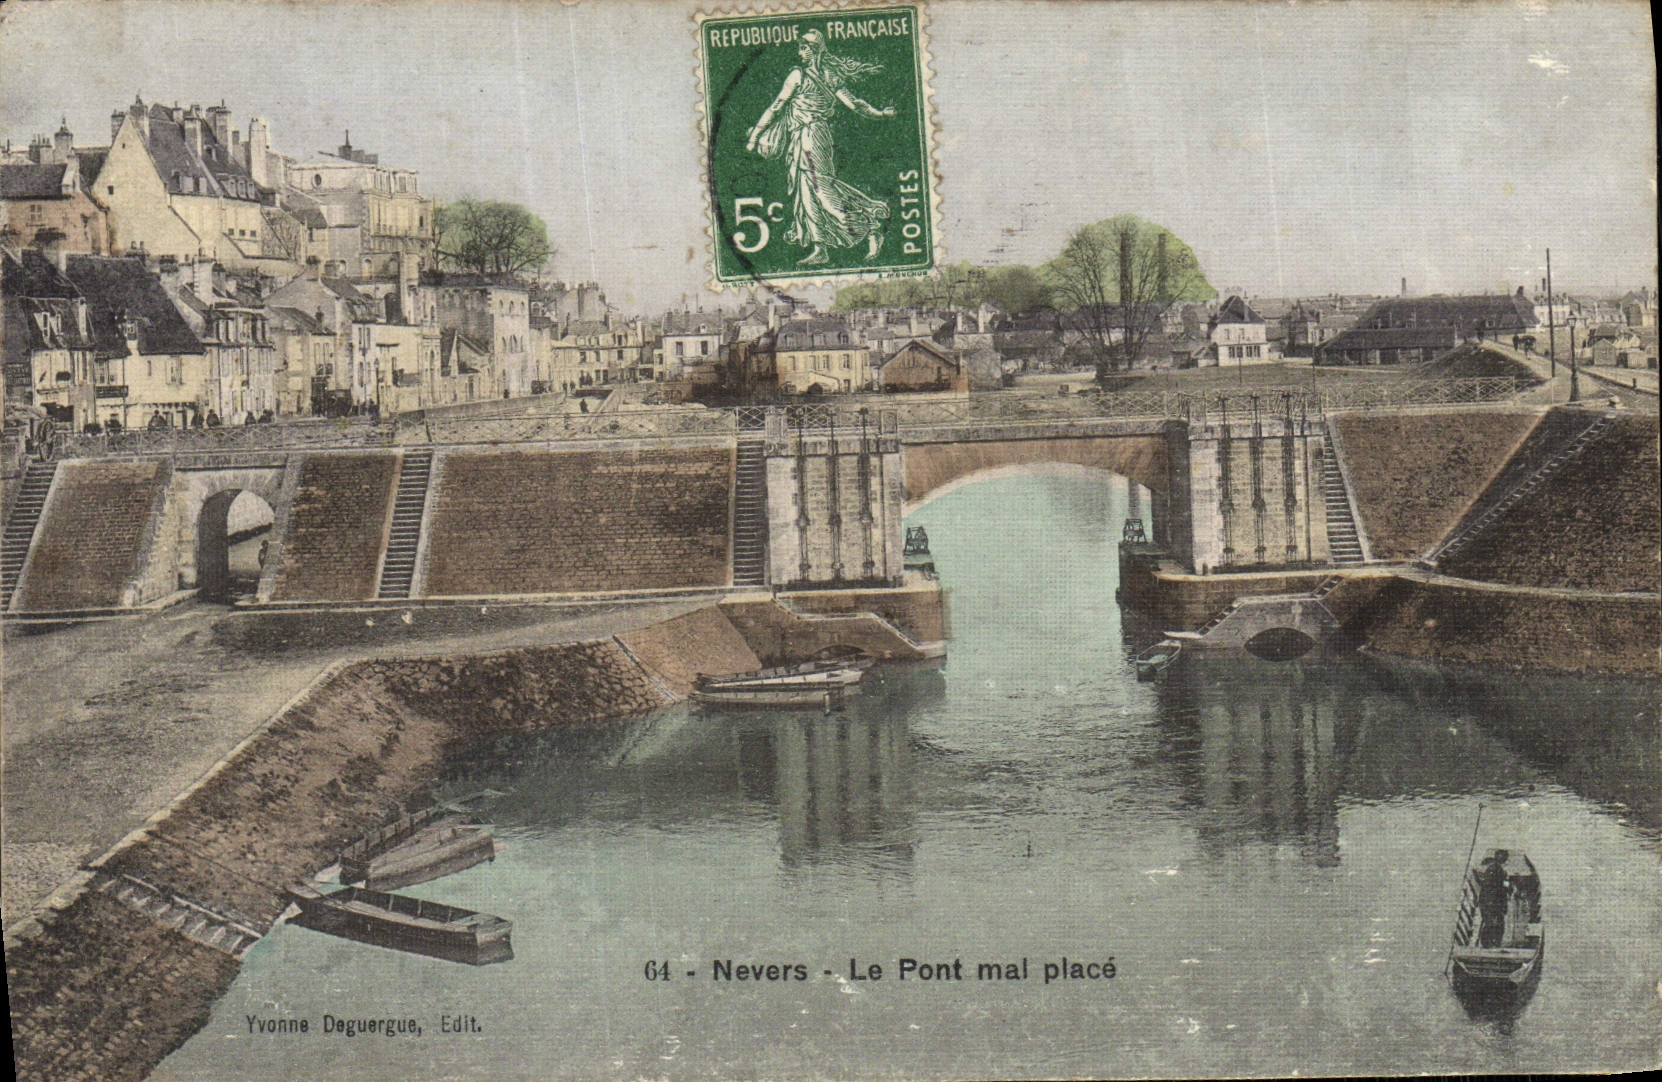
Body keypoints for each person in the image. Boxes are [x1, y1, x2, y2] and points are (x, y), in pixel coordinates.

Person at [746, 29, 894, 266]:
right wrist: (880, 113)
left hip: (813, 136)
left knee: (822, 190)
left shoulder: (804, 75)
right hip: (800, 137)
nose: (799, 52)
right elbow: (854, 104)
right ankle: (820, 247)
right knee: (806, 195)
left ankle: (870, 226)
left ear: (813, 50)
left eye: (803, 48)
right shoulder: (822, 74)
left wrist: (755, 136)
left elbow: (776, 107)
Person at [1475, 849, 1509, 948]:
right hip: (1492, 902)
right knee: (1495, 923)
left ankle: (1488, 944)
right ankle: (1491, 944)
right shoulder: (1497, 870)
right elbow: (1499, 889)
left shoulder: (1494, 869)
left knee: (1491, 922)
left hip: (1488, 901)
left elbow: (1488, 886)